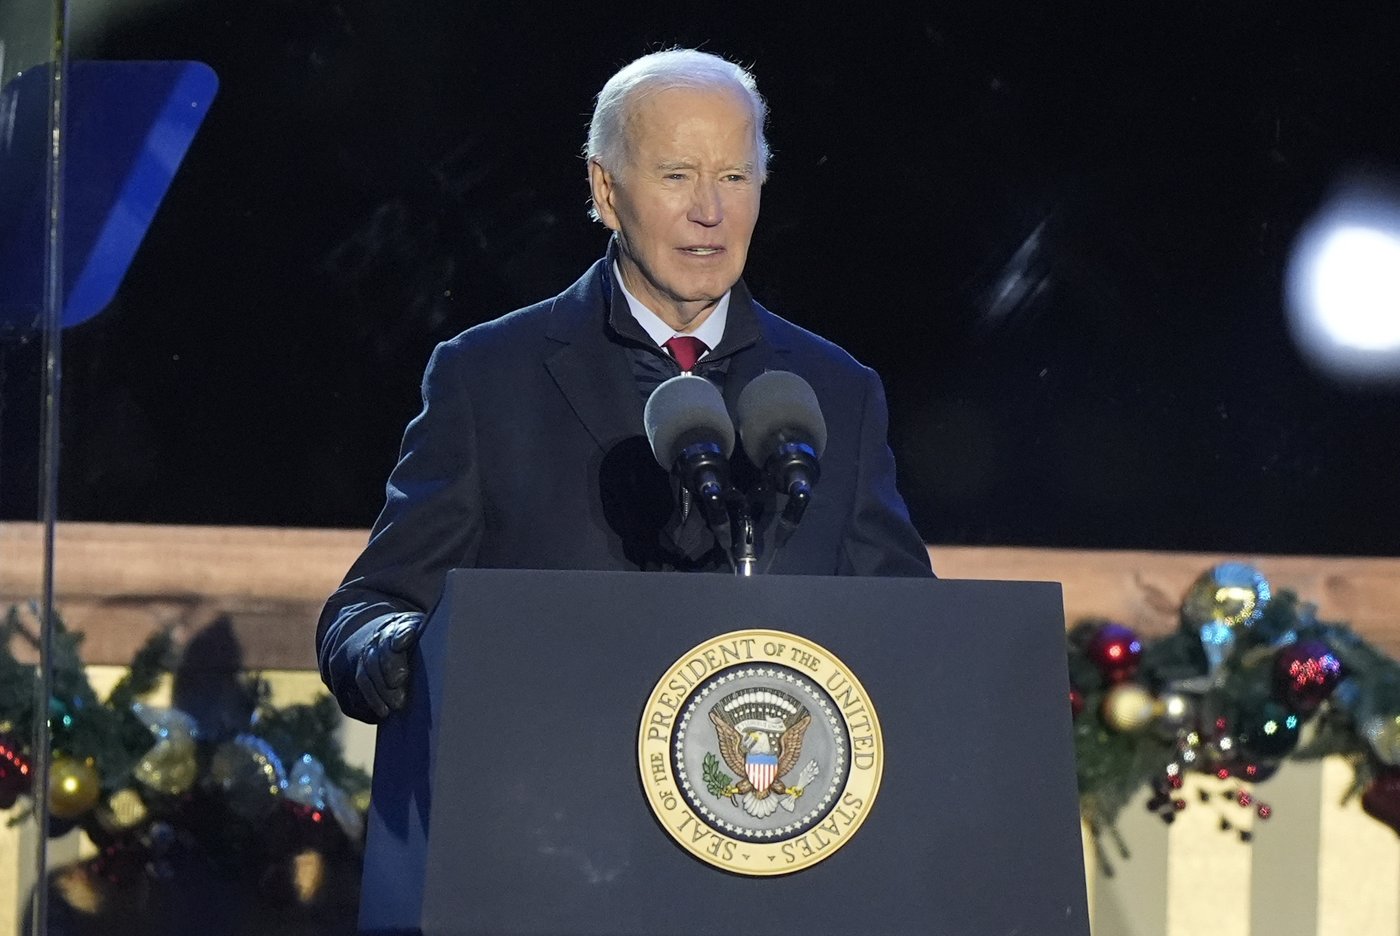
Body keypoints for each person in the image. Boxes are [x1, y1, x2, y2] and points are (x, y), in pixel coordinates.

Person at [317, 49, 933, 724]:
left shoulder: (840, 391)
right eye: (677, 176)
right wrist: (385, 648)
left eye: (734, 175)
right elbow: (370, 606)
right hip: (551, 799)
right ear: (607, 192)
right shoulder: (487, 377)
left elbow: (909, 628)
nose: (710, 210)